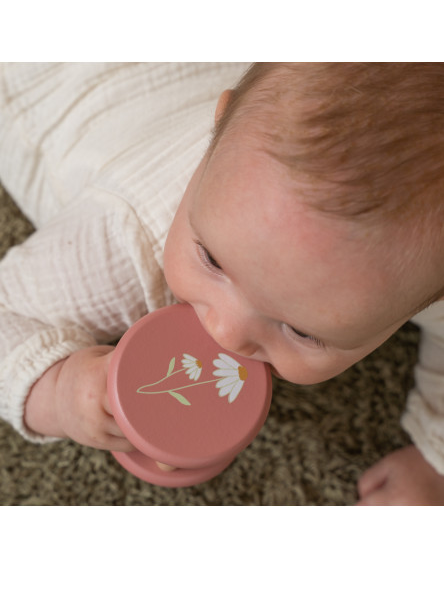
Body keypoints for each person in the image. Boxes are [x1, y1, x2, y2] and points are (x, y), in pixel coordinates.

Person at [1, 62, 444, 505]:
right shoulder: (123, 242)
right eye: (212, 260)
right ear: (217, 132)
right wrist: (58, 392)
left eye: (302, 330)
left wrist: (434, 456)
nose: (226, 333)